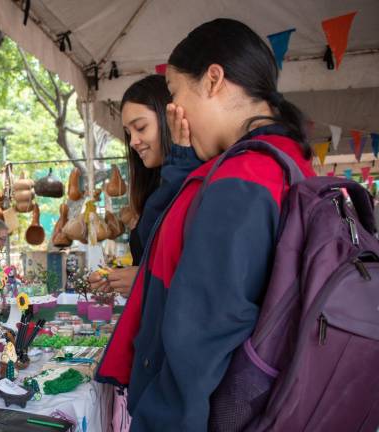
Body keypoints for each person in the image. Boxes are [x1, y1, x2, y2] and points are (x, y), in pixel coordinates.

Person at [96, 18, 316, 431]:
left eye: (177, 94)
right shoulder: (284, 159)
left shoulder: (245, 175)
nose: (176, 112)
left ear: (213, 80)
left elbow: (201, 332)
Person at [87, 75, 200, 298]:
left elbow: (201, 275)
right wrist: (120, 277)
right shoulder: (158, 184)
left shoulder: (195, 182)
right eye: (128, 133)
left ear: (170, 119)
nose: (133, 141)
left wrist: (144, 280)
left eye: (140, 127)